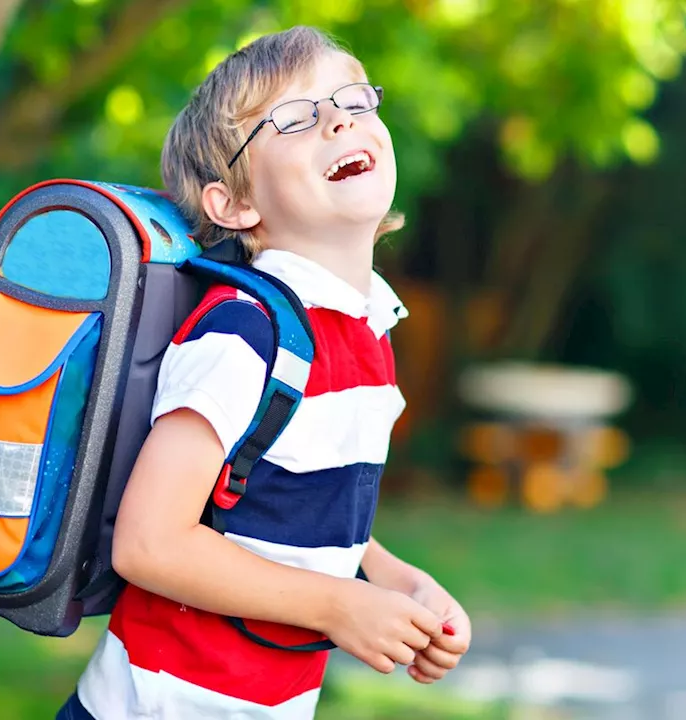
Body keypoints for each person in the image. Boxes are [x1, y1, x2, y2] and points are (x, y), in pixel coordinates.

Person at [56, 25, 471, 720]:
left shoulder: (363, 331)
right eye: (297, 118)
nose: (340, 118)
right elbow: (149, 542)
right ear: (235, 205)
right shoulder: (244, 333)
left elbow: (284, 502)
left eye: (354, 101)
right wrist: (340, 606)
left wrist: (397, 584)